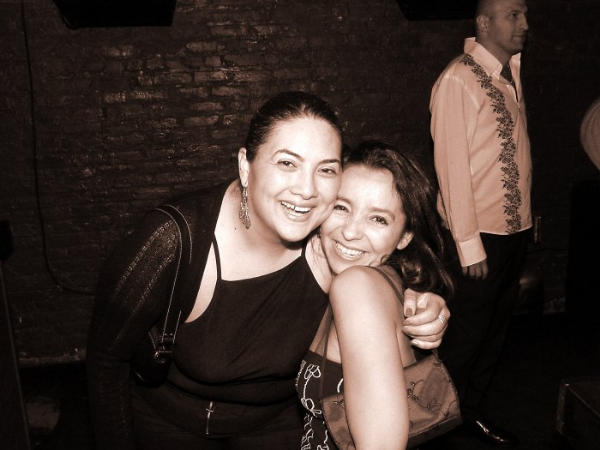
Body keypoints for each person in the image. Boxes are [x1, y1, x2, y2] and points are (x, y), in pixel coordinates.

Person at [87, 91, 451, 450]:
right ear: (246, 166)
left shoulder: (327, 239)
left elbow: (374, 256)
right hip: (169, 422)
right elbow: (107, 359)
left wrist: (416, 300)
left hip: (275, 424)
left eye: (325, 169)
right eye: (287, 163)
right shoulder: (175, 240)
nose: (306, 190)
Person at [296, 141, 453, 449]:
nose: (350, 232)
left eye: (378, 219)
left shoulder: (355, 286)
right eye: (342, 207)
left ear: (405, 236)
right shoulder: (385, 278)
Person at [429, 0, 532, 446]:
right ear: (484, 23)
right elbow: (452, 169)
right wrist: (469, 245)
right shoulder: (459, 79)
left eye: (525, 14)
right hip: (476, 240)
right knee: (463, 342)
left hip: (512, 234)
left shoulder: (510, 72)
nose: (524, 24)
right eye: (513, 15)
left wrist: (526, 223)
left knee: (493, 336)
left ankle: (470, 417)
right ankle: (437, 431)